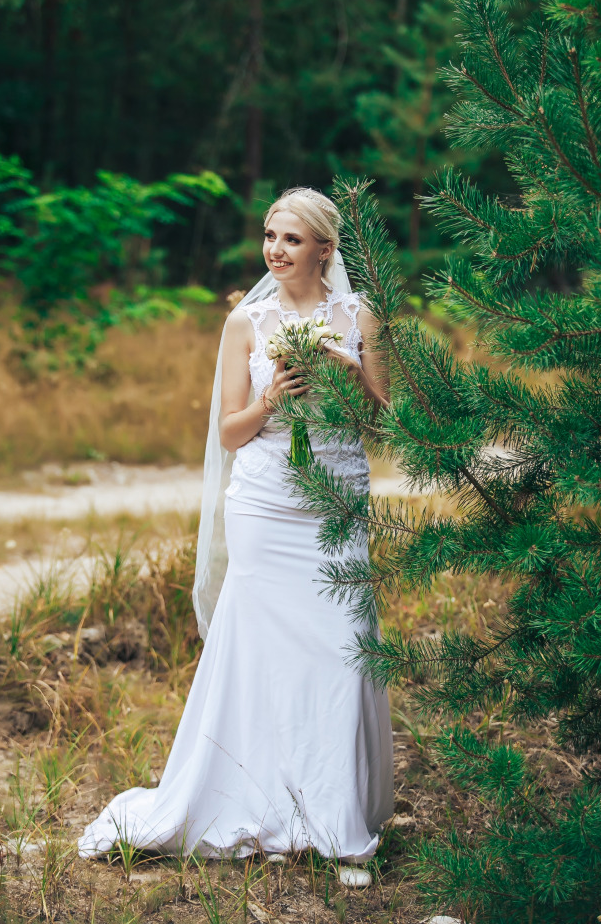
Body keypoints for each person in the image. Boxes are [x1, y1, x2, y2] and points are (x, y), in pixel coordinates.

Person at [78, 187, 393, 882]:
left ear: (324, 249)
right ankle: (251, 795)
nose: (275, 250)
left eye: (291, 239)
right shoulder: (244, 323)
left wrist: (342, 370)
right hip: (265, 504)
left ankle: (338, 827)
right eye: (269, 236)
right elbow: (227, 431)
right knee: (260, 652)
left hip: (335, 501)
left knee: (339, 650)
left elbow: (383, 420)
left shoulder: (359, 315)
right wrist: (270, 398)